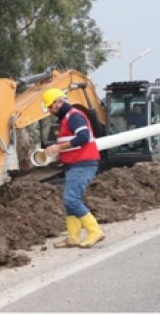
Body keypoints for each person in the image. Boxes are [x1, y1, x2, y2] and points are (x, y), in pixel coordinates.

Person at [40, 87, 105, 248]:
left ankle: (95, 231)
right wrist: (56, 152)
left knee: (71, 199)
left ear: (58, 102)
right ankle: (73, 237)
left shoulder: (74, 116)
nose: (49, 110)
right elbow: (71, 143)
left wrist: (58, 148)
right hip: (74, 164)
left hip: (83, 164)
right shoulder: (66, 119)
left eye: (49, 106)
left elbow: (83, 137)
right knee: (69, 201)